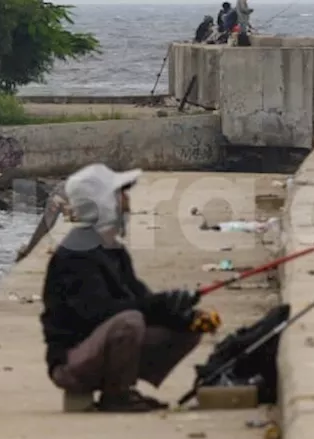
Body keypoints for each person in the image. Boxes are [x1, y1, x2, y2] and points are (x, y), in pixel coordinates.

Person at [41, 164, 204, 412]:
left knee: (189, 324)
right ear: (103, 202)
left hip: (97, 349)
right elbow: (98, 314)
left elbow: (140, 298)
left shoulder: (114, 251)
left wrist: (178, 310)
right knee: (129, 322)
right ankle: (116, 395)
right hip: (71, 362)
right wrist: (157, 304)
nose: (127, 202)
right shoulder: (76, 255)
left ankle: (123, 387)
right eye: (120, 194)